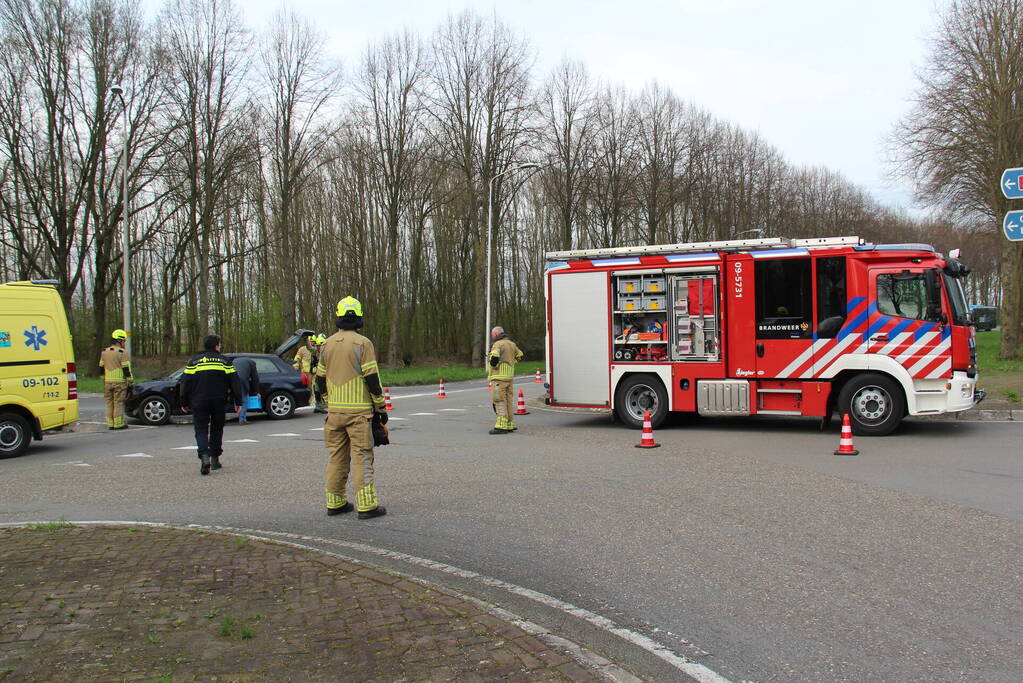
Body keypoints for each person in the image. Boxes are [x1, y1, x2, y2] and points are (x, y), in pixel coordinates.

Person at [316, 297, 388, 519]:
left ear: (338, 317)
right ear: (358, 317)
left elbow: (319, 381)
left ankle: (335, 502)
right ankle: (367, 506)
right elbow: (372, 378)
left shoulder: (326, 344)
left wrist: (329, 401)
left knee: (337, 456)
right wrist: (380, 406)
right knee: (362, 456)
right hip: (358, 413)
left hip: (334, 413)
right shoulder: (363, 343)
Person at [178, 334, 242, 475]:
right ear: (216, 346)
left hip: (199, 401)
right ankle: (215, 459)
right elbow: (235, 381)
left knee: (200, 429)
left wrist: (183, 401)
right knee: (217, 428)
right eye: (220, 344)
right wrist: (238, 401)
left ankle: (204, 456)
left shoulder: (194, 362)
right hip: (219, 400)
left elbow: (185, 382)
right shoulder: (224, 361)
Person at [487, 325, 523, 435]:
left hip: (499, 377)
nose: (492, 336)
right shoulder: (512, 344)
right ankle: (509, 424)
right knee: (508, 401)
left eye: (493, 335)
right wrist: (511, 363)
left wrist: (494, 365)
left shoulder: (497, 344)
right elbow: (520, 355)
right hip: (509, 377)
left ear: (496, 334)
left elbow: (494, 358)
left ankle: (501, 426)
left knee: (498, 400)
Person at [98, 329, 132, 430]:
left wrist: (104, 380)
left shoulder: (104, 352)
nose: (124, 343)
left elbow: (101, 368)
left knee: (109, 403)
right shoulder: (123, 352)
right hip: (120, 383)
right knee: (118, 403)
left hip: (107, 382)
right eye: (124, 341)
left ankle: (110, 424)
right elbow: (126, 369)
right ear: (119, 340)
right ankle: (118, 424)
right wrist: (130, 380)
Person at [232, 356, 261, 425]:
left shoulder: (234, 361)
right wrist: (257, 392)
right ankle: (242, 419)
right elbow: (255, 378)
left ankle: (239, 414)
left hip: (232, 379)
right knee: (244, 398)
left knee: (237, 397)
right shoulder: (252, 363)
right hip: (242, 380)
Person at [293, 334, 316, 406]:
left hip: (314, 372)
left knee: (314, 386)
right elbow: (297, 358)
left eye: (313, 341)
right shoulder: (302, 349)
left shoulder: (316, 349)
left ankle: (314, 400)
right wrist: (295, 367)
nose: (312, 343)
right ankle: (308, 400)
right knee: (308, 387)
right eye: (310, 341)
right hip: (305, 373)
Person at [312, 333, 328, 413]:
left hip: (327, 374)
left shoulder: (328, 352)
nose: (318, 347)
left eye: (319, 346)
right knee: (317, 388)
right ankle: (318, 404)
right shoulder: (315, 352)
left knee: (325, 388)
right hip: (318, 374)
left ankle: (326, 404)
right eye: (317, 346)